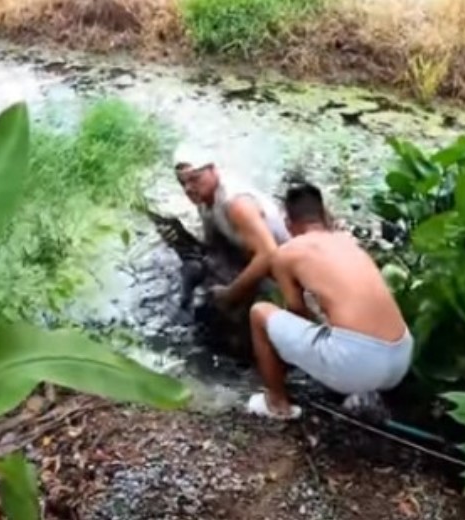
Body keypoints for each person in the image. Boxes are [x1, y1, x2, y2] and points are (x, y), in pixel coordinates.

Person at [246, 182, 413, 419]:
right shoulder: (349, 243)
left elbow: (296, 313)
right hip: (401, 357)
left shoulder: (287, 253)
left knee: (259, 312)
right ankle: (366, 393)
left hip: (358, 364)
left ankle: (276, 403)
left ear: (287, 224)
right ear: (325, 215)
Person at [173, 143, 291, 310]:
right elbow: (212, 246)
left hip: (284, 271)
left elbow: (269, 253)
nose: (188, 188)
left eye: (194, 178)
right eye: (182, 182)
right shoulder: (204, 200)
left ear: (213, 170)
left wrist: (231, 293)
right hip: (248, 258)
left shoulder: (237, 204)